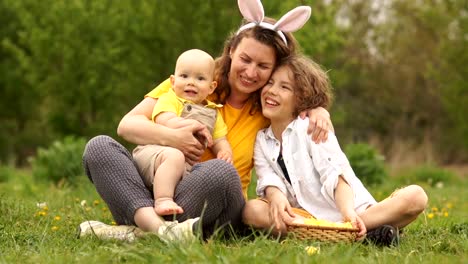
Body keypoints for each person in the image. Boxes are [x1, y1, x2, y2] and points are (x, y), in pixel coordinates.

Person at [79, 0, 331, 242]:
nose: (251, 72)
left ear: (274, 69)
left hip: (217, 202)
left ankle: (140, 228)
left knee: (220, 171)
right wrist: (173, 138)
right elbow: (127, 125)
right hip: (159, 193)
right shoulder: (192, 81)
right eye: (245, 59)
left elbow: (301, 100)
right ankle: (159, 230)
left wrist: (318, 109)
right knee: (99, 147)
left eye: (263, 66)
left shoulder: (268, 106)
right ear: (232, 50)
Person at [242, 54, 428, 247]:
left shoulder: (312, 126)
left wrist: (349, 215)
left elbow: (336, 177)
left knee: (416, 197)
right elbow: (267, 178)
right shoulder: (262, 139)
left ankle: (346, 229)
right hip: (304, 217)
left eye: (284, 87)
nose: (272, 91)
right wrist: (276, 197)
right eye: (270, 83)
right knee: (251, 211)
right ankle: (361, 233)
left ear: (302, 99)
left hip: (350, 211)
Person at [132, 49, 232, 217]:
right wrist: (191, 124)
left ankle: (167, 215)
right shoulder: (170, 99)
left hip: (183, 168)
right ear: (172, 81)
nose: (191, 83)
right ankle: (163, 200)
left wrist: (224, 151)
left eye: (200, 78)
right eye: (184, 76)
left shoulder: (213, 113)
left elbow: (220, 139)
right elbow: (165, 120)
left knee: (197, 172)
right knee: (175, 157)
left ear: (211, 87)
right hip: (154, 156)